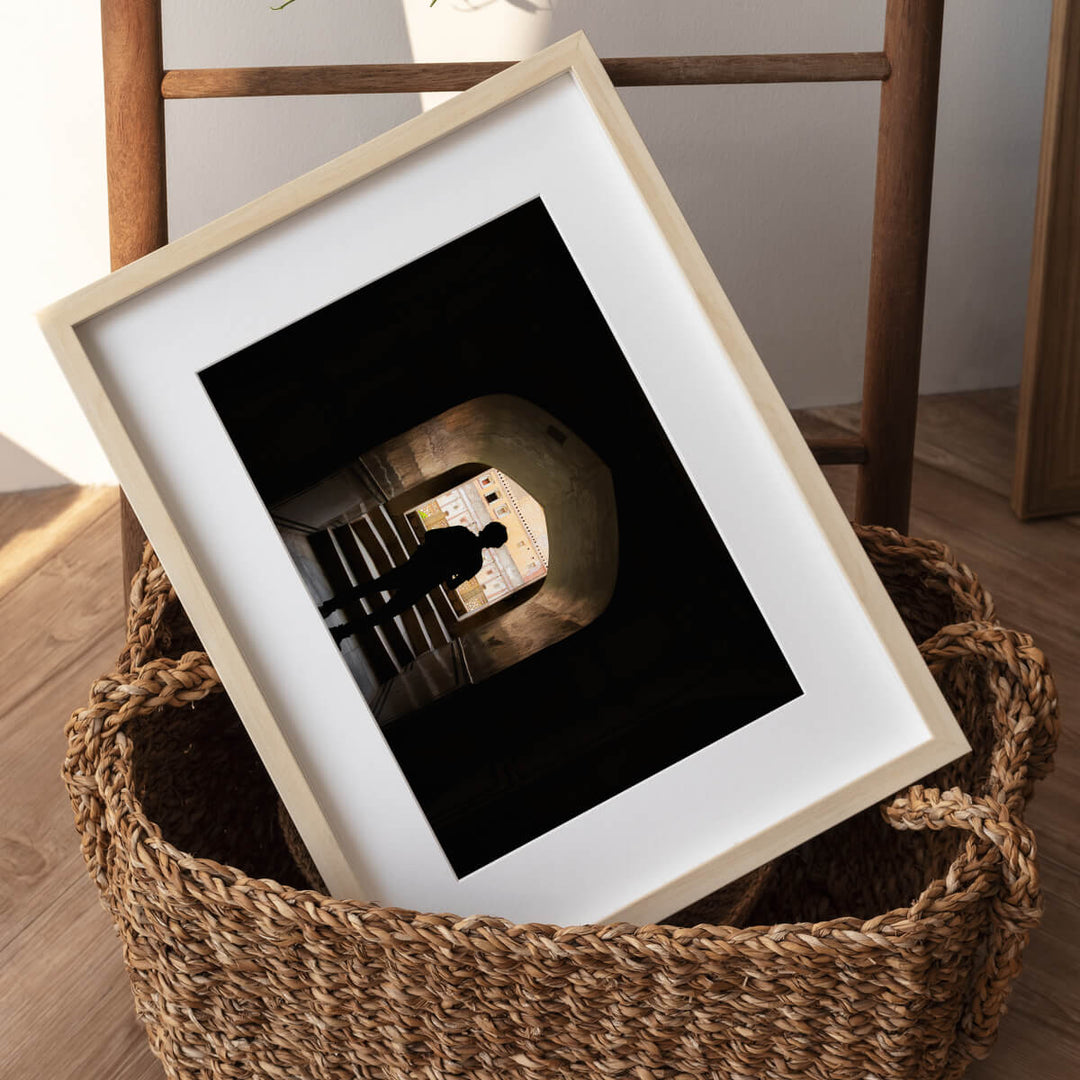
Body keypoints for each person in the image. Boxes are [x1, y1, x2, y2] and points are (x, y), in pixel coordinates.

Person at [321, 521, 509, 644]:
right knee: (385, 613)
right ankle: (341, 632)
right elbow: (452, 585)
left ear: (485, 529)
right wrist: (447, 571)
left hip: (414, 568)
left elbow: (430, 535)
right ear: (494, 545)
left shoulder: (461, 533)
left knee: (371, 588)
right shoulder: (476, 563)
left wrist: (436, 554)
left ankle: (329, 606)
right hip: (423, 584)